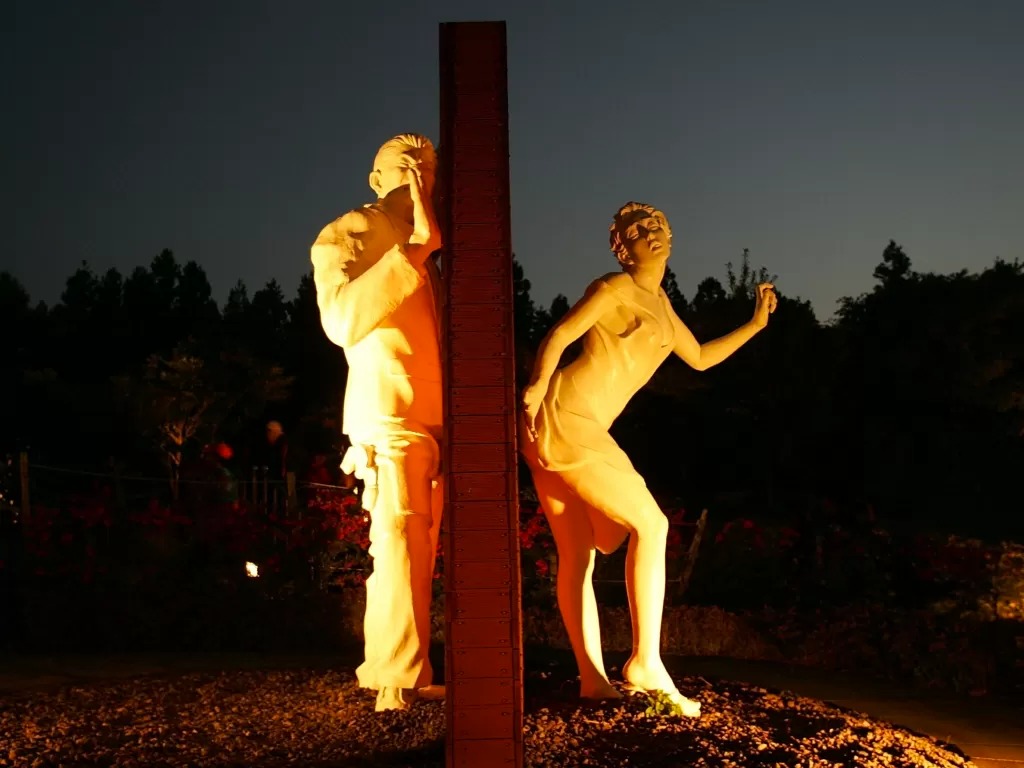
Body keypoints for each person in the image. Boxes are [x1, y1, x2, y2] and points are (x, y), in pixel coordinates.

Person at [520, 201, 778, 716]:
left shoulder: (660, 305)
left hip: (576, 426)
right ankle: (645, 662)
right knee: (652, 526)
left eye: (655, 225)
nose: (649, 233)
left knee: (579, 554)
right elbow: (562, 334)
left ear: (670, 234)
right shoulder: (613, 289)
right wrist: (534, 387)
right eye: (635, 231)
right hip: (566, 416)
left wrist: (754, 325)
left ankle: (593, 679)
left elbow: (701, 357)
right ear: (622, 248)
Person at [311, 134, 443, 712]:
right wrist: (411, 253)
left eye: (428, 166)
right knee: (398, 538)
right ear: (375, 177)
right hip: (387, 412)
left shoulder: (429, 245)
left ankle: (405, 668)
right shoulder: (351, 231)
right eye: (403, 164)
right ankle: (393, 675)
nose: (418, 173)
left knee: (421, 544)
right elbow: (340, 320)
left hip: (434, 417)